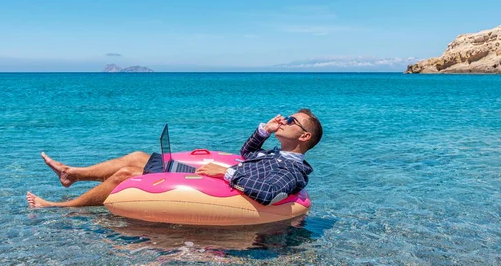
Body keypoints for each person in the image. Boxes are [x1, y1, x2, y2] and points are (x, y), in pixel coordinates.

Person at [26, 109, 322, 208]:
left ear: (305, 137)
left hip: (221, 186)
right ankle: (72, 174)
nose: (284, 120)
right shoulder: (277, 154)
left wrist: (225, 173)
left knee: (126, 176)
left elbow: (269, 192)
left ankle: (60, 208)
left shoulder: (293, 171)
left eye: (292, 121)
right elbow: (246, 154)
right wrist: (264, 131)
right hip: (216, 176)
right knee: (137, 157)